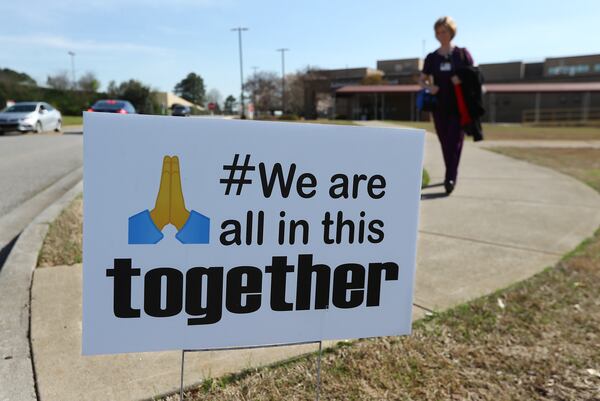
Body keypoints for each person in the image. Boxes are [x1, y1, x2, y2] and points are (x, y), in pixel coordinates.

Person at [419, 16, 474, 195]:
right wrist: (430, 87)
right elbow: (422, 79)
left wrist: (462, 79)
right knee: (444, 142)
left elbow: (474, 75)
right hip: (439, 106)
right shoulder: (432, 57)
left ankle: (450, 177)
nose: (441, 35)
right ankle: (449, 172)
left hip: (458, 106)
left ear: (451, 32)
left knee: (455, 141)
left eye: (445, 31)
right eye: (438, 32)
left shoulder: (461, 54)